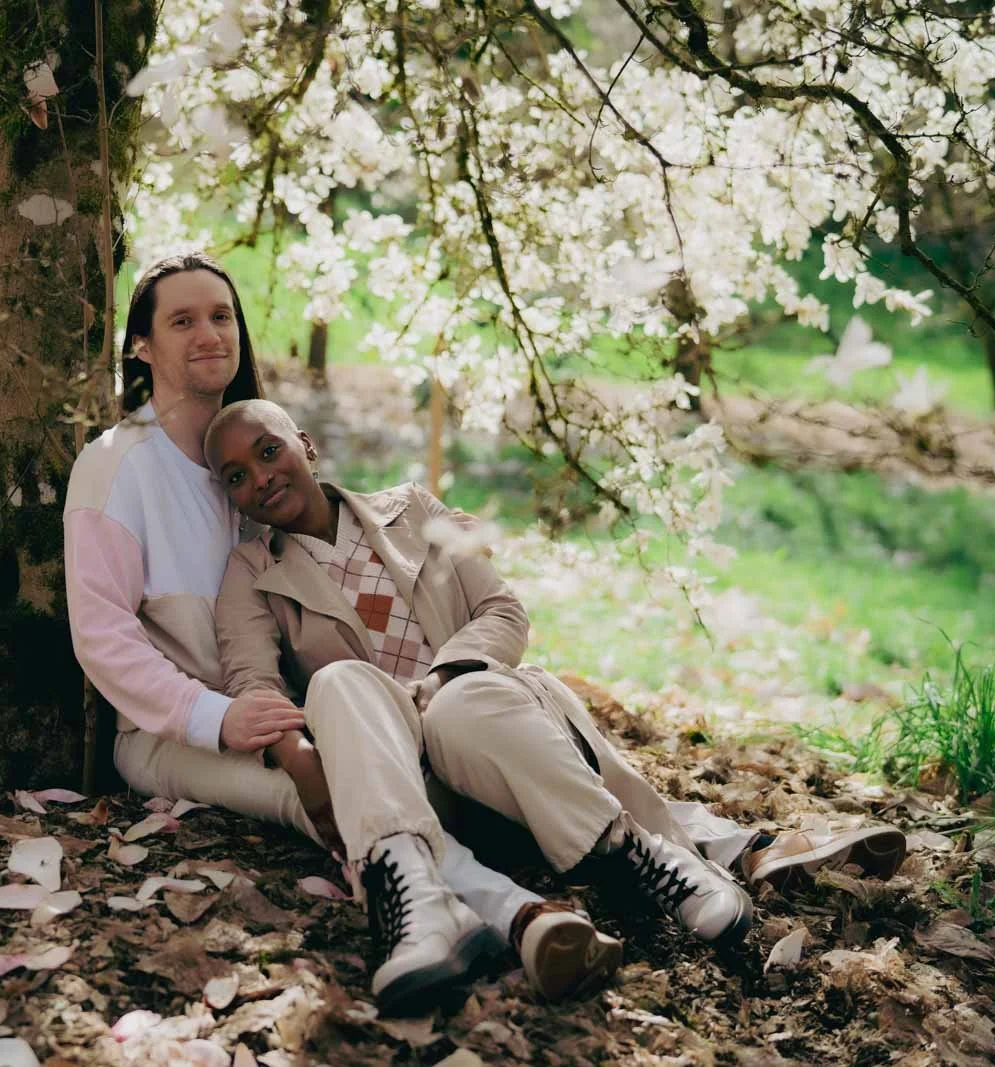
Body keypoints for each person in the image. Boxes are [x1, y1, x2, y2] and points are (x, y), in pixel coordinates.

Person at [64, 253, 620, 1013]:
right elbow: (101, 635)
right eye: (181, 320)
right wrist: (218, 716)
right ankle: (508, 915)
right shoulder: (114, 467)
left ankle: (566, 868)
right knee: (325, 790)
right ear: (141, 348)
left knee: (386, 766)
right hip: (177, 735)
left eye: (221, 315)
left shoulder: (246, 457)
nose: (208, 333)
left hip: (294, 710)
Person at [204, 398, 909, 948]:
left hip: (492, 723)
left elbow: (501, 610)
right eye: (237, 474)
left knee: (466, 704)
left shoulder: (413, 509)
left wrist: (446, 678)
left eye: (270, 451)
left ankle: (670, 858)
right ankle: (707, 847)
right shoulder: (253, 573)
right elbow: (252, 682)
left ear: (307, 445)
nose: (261, 477)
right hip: (412, 773)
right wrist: (294, 755)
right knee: (348, 684)